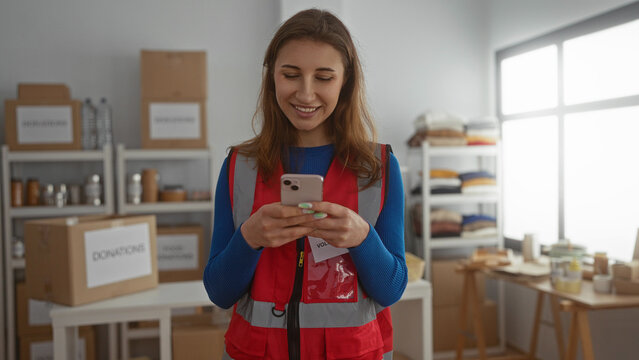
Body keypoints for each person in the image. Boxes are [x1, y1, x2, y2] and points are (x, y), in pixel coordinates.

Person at [203, 8, 407, 360]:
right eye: (291, 75)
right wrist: (250, 237)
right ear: (272, 78)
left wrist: (362, 238)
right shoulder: (240, 166)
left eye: (324, 77)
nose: (306, 93)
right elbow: (219, 292)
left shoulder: (380, 167)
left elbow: (391, 289)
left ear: (346, 82)